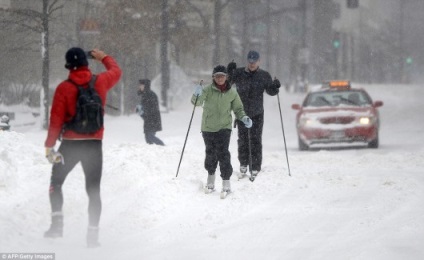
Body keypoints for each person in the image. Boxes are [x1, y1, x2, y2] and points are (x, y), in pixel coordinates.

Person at [43, 47, 122, 247]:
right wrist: (104, 57)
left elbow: (55, 121)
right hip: (94, 146)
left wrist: (49, 146)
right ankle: (92, 236)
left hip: (70, 145)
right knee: (93, 190)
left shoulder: (64, 88)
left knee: (56, 182)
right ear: (87, 63)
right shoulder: (101, 82)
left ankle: (57, 225)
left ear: (68, 64)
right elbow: (117, 71)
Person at [191, 65, 252, 195]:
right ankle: (211, 180)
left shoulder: (232, 92)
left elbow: (238, 109)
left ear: (226, 77)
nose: (220, 78)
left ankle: (226, 182)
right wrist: (196, 94)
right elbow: (196, 103)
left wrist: (244, 117)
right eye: (217, 76)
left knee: (223, 153)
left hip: (224, 127)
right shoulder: (207, 90)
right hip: (208, 128)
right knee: (210, 153)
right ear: (213, 77)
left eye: (222, 76)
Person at [227, 50, 281, 178]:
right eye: (250, 61)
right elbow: (227, 84)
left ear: (259, 61)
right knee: (243, 139)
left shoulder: (264, 75)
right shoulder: (239, 73)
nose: (252, 64)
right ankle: (244, 163)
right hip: (241, 112)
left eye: (254, 62)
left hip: (257, 113)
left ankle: (255, 166)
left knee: (256, 140)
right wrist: (229, 72)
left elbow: (270, 91)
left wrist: (275, 87)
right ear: (247, 61)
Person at [136, 79, 165, 146]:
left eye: (141, 85)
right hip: (149, 120)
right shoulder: (145, 95)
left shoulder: (150, 95)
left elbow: (151, 109)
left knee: (150, 136)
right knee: (148, 138)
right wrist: (139, 110)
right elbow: (145, 108)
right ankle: (152, 153)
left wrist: (141, 111)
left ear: (145, 86)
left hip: (152, 120)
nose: (140, 87)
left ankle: (163, 146)